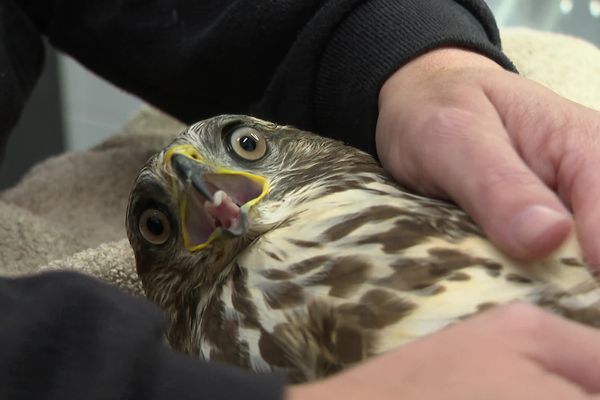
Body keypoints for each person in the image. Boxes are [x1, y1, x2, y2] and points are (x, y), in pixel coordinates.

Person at [2, 0, 600, 398]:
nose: (196, 181)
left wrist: (400, 50)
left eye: (247, 144)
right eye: (159, 226)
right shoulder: (203, 333)